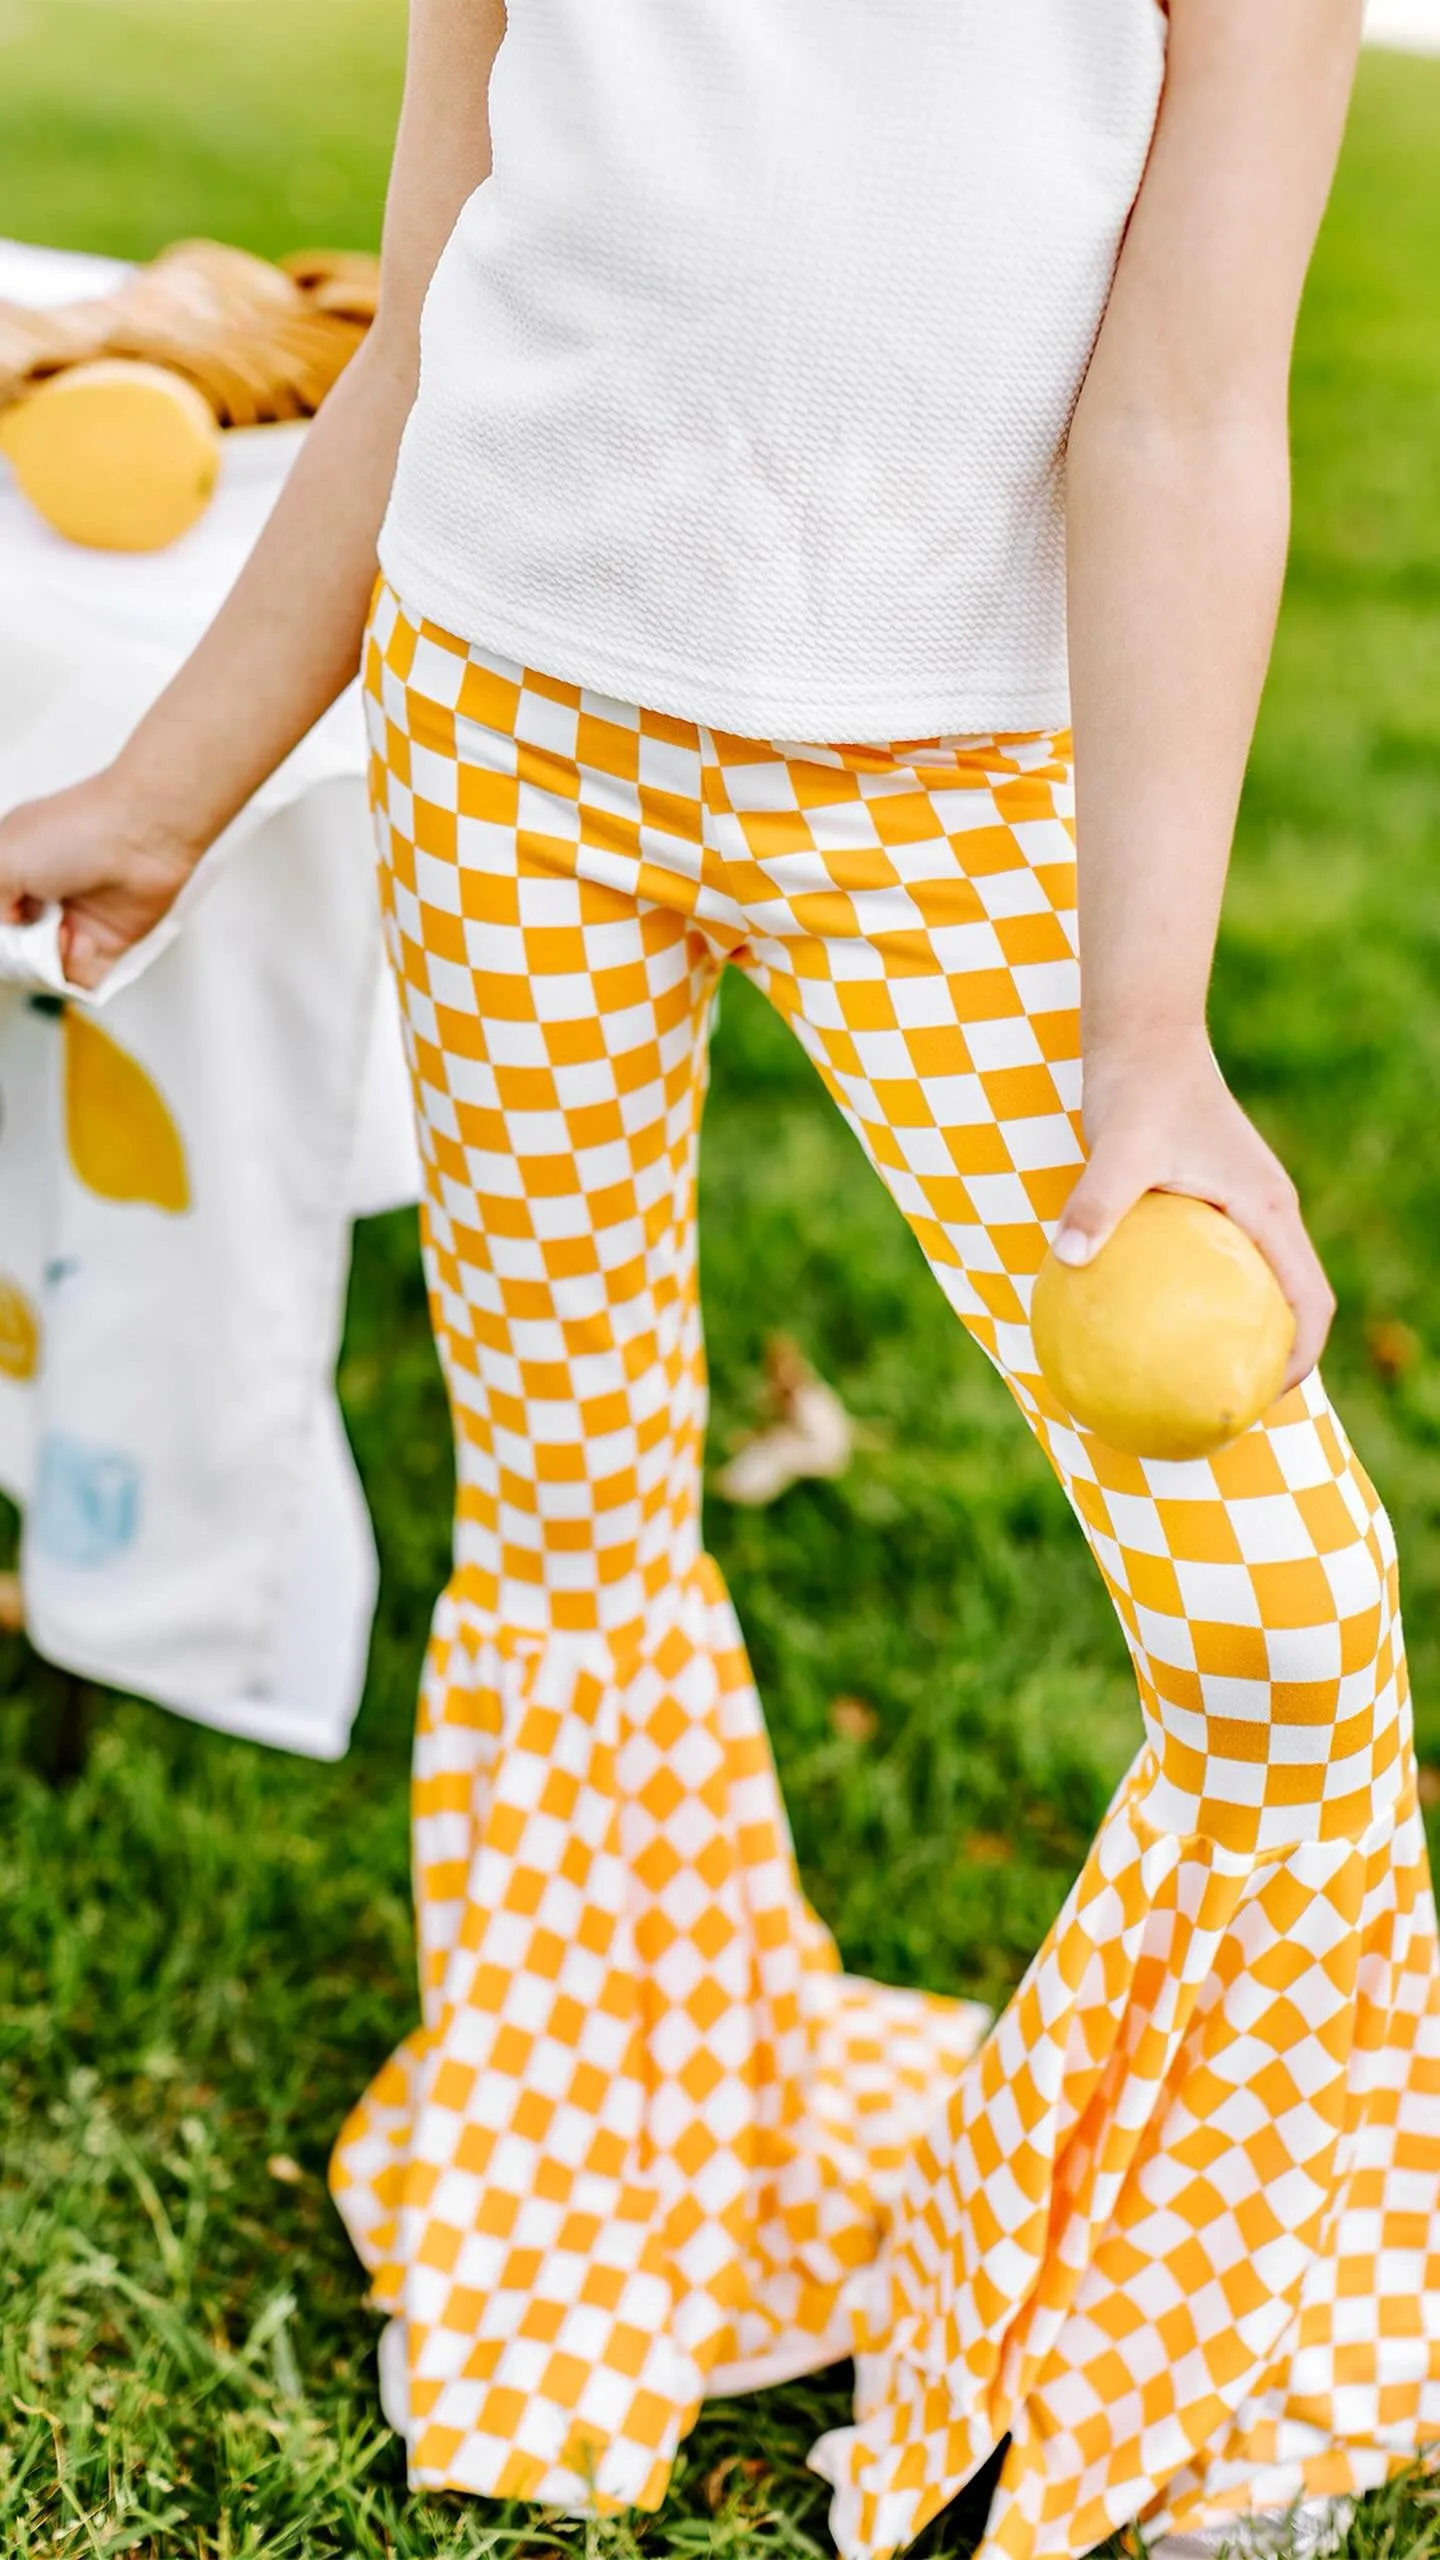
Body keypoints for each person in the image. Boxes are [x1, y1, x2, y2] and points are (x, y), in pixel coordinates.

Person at [6, 0, 1438, 2552]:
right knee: (569, 1522)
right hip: (510, 728)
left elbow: (1192, 414)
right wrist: (177, 777)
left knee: (1284, 1610)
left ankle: (1207, 2342)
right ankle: (595, 2202)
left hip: (966, 793)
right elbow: (443, 289)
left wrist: (1149, 1037)